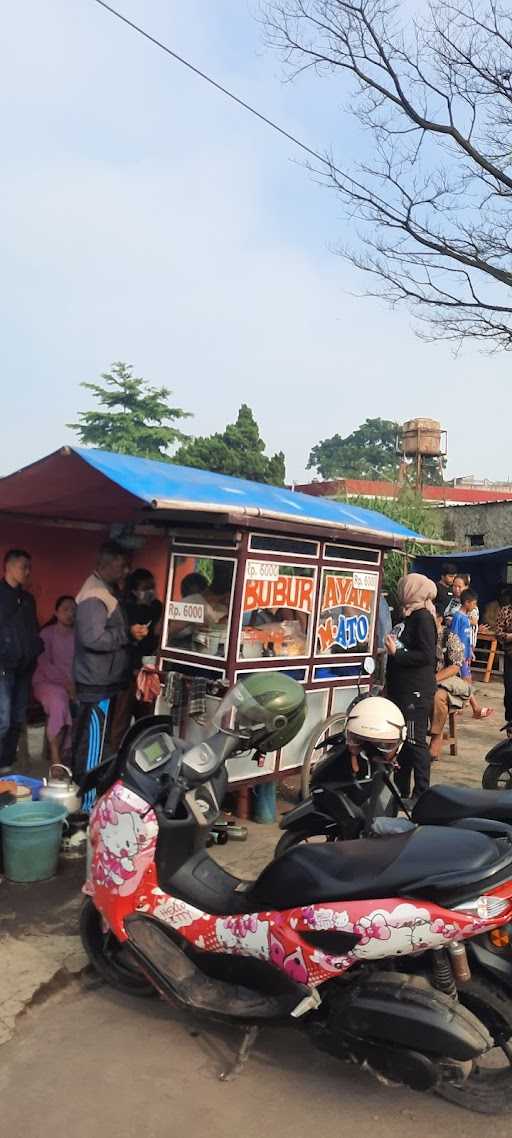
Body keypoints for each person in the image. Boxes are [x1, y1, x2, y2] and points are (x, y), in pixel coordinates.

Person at [72, 542, 147, 806]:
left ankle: (87, 794)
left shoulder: (105, 590)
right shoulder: (94, 595)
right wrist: (126, 634)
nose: (125, 570)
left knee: (94, 741)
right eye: (122, 565)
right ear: (109, 563)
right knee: (90, 745)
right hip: (96, 681)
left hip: (103, 679)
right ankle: (86, 803)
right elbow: (93, 638)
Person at [385, 573, 437, 800]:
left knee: (415, 742)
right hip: (402, 689)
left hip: (415, 690)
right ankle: (401, 790)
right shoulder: (408, 615)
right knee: (404, 742)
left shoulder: (423, 617)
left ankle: (421, 793)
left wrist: (399, 653)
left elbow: (427, 655)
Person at [109, 568, 163, 752]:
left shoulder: (157, 606)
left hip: (149, 669)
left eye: (152, 587)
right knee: (121, 718)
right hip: (127, 670)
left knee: (146, 717)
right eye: (145, 587)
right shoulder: (125, 609)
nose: (150, 591)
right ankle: (114, 755)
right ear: (134, 590)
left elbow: (157, 635)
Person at [0, 549, 43, 774]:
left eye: (29, 567)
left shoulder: (28, 599)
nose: (27, 572)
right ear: (8, 566)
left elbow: (33, 630)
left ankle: (5, 764)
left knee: (17, 719)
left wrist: (35, 649)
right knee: (3, 720)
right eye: (23, 567)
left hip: (24, 669)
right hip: (3, 668)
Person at [32, 596, 76, 766]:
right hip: (46, 682)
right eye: (65, 609)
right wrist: (67, 685)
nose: (70, 613)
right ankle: (56, 757)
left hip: (71, 685)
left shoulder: (78, 636)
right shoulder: (47, 633)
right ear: (56, 613)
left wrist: (75, 686)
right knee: (59, 701)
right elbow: (44, 664)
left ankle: (69, 750)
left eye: (73, 610)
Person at [496, 586, 512, 724]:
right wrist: (509, 636)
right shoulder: (505, 611)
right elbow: (498, 633)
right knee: (510, 691)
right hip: (510, 656)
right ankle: (510, 723)